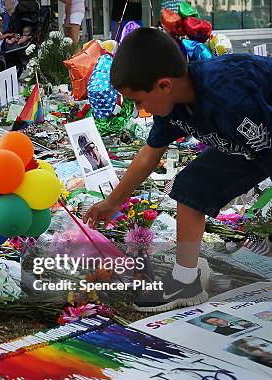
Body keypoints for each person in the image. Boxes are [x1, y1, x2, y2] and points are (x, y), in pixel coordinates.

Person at [83, 28, 271, 312]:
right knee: (192, 186)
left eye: (138, 101)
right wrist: (113, 201)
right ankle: (186, 279)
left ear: (164, 85)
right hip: (248, 146)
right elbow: (149, 154)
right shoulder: (172, 108)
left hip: (262, 134)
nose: (140, 109)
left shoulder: (229, 92)